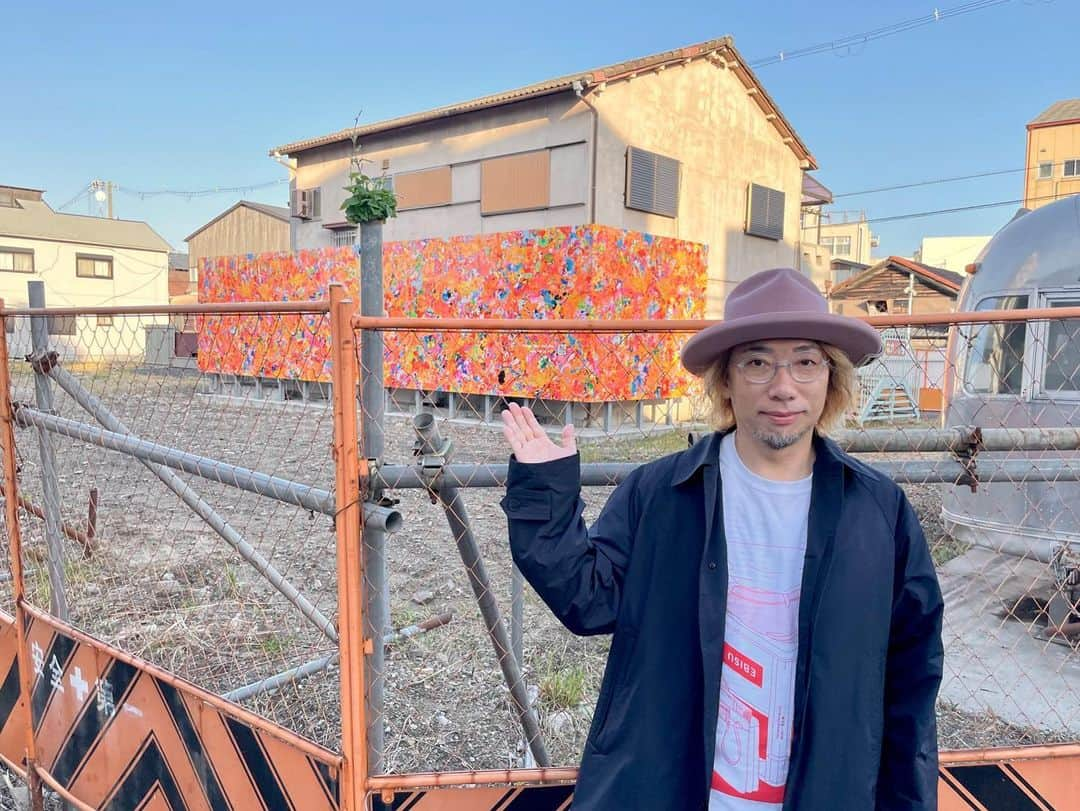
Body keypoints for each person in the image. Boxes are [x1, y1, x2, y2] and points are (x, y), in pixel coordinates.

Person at [500, 267, 944, 810]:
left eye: (806, 361)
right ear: (727, 381)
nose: (783, 386)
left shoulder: (877, 511)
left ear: (831, 378)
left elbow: (911, 682)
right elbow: (587, 601)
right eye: (757, 362)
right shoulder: (662, 493)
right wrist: (545, 493)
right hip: (673, 792)